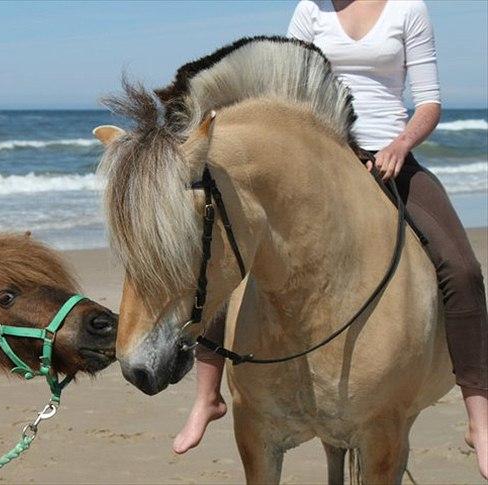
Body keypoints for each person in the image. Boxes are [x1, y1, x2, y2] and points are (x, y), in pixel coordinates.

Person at [173, 0, 488, 478]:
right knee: (236, 249)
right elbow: (284, 88)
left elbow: (429, 102)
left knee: (462, 269)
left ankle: (478, 417)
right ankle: (208, 397)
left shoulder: (408, 9)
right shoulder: (309, 11)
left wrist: (401, 144)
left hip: (390, 157)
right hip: (321, 160)